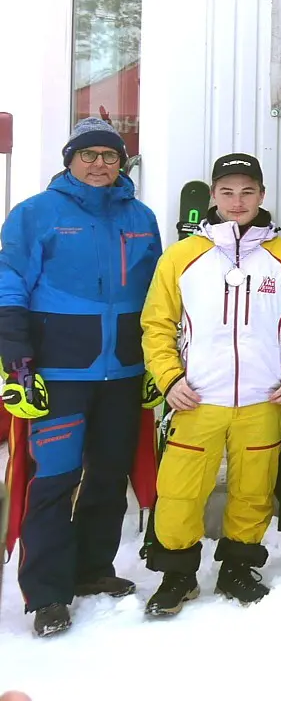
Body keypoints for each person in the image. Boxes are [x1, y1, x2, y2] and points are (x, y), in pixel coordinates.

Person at [138, 153, 281, 617]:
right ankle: (177, 574)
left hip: (263, 397)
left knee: (254, 489)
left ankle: (238, 567)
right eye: (227, 192)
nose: (237, 201)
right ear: (213, 197)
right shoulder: (181, 257)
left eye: (247, 192)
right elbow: (156, 325)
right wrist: (169, 378)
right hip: (196, 397)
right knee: (179, 490)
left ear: (261, 195)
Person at [0, 118, 163, 637]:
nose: (99, 164)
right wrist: (17, 357)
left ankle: (94, 568)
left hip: (125, 371)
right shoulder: (35, 213)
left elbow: (159, 294)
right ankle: (47, 594)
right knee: (53, 479)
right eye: (88, 155)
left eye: (110, 156)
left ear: (122, 163)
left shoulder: (141, 216)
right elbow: (9, 284)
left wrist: (162, 360)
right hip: (61, 369)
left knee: (110, 475)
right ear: (69, 160)